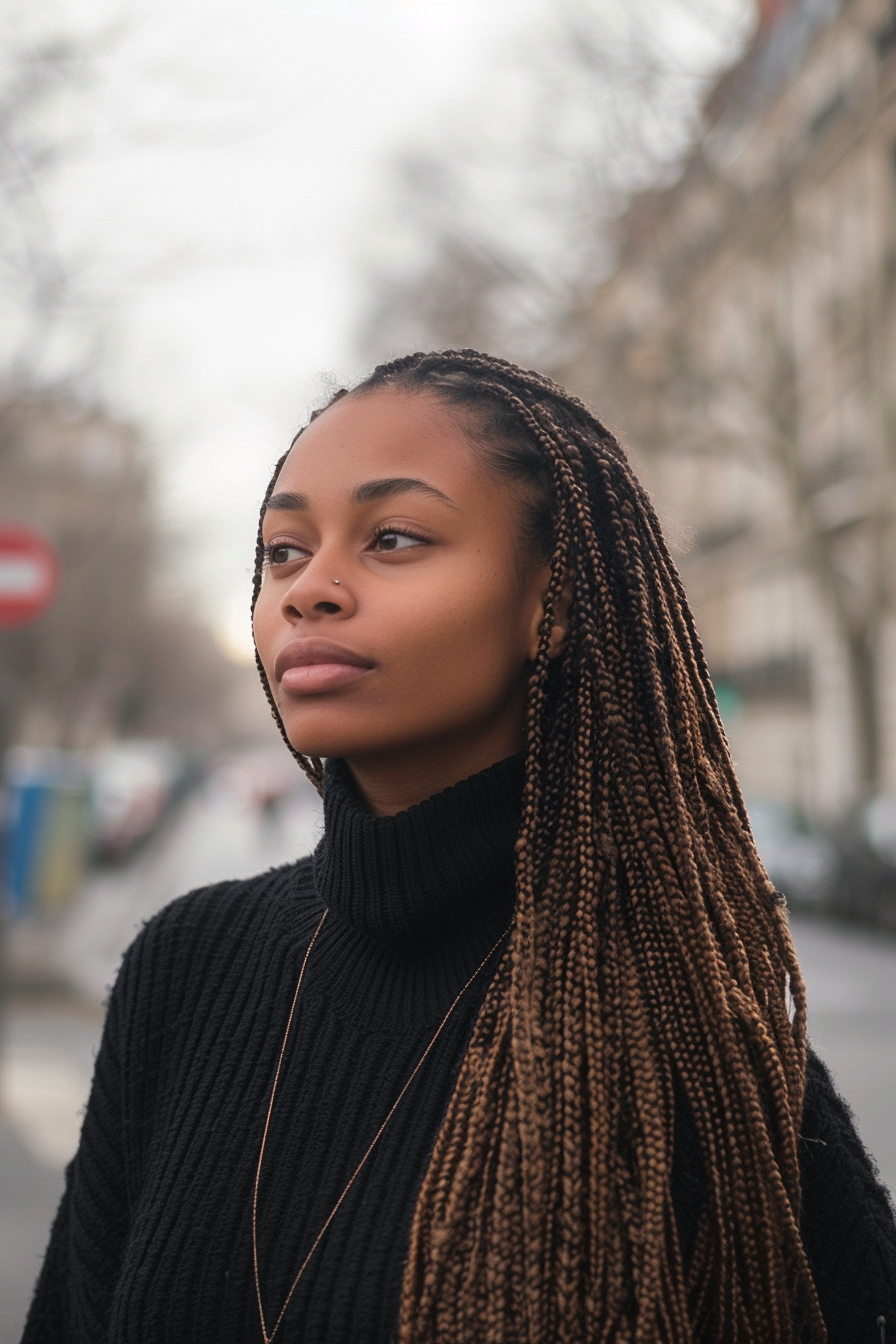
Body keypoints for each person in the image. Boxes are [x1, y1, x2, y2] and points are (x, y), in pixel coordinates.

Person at [22, 349, 896, 1344]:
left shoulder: (693, 1040)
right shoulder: (184, 967)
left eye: (392, 537)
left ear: (551, 601)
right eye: (281, 551)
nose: (310, 588)